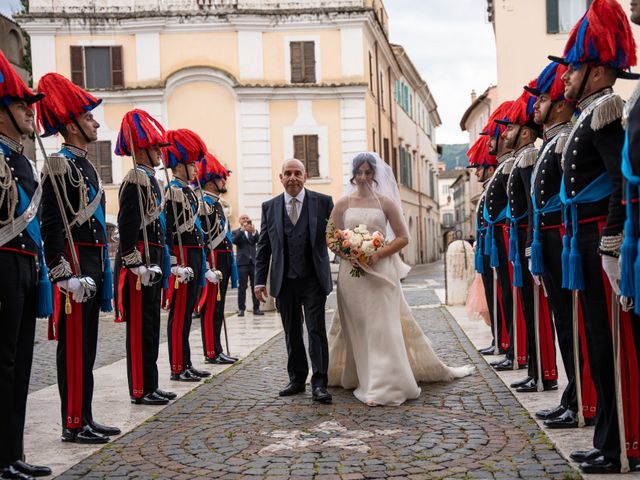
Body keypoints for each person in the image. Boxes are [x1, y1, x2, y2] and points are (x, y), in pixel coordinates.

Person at [548, 0, 640, 473]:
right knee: (596, 346)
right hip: (577, 243)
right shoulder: (589, 114)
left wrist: (612, 237)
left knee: (608, 346)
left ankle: (622, 444)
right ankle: (607, 436)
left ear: (600, 71)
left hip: (596, 240)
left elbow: (620, 180)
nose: (565, 80)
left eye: (575, 68)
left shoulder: (607, 111)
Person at [326, 152, 474, 406]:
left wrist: (377, 253)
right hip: (352, 275)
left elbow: (403, 237)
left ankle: (384, 384)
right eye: (359, 172)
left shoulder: (385, 203)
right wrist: (348, 254)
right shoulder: (342, 204)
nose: (363, 177)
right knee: (357, 327)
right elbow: (330, 237)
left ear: (374, 174)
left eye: (368, 172)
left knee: (381, 327)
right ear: (353, 174)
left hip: (381, 272)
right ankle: (361, 375)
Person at [37, 73, 120, 445]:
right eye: (88, 118)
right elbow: (51, 226)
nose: (96, 122)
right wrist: (62, 274)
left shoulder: (84, 165)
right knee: (73, 347)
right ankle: (72, 421)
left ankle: (85, 414)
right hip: (73, 266)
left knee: (87, 348)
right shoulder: (58, 164)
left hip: (91, 265)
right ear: (71, 125)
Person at [525, 62, 597, 428]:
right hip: (551, 238)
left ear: (558, 105)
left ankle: (582, 399)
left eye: (540, 100)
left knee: (573, 324)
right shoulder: (553, 141)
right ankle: (573, 396)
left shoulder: (566, 138)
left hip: (564, 236)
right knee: (564, 325)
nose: (534, 108)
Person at [0, 51, 53, 480]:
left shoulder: (22, 161)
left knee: (18, 367)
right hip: (1, 268)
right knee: (1, 365)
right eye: (20, 106)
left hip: (25, 268)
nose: (29, 113)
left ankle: (13, 453)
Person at [254, 158, 333, 403]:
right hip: (284, 280)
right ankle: (297, 379)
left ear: (305, 176)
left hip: (313, 280)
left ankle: (319, 383)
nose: (292, 178)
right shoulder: (270, 206)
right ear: (280, 178)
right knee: (291, 333)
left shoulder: (322, 202)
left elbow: (336, 237)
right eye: (287, 173)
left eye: (297, 173)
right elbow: (263, 246)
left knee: (316, 331)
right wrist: (259, 281)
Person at [114, 109, 176, 406]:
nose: (159, 153)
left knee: (151, 326)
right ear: (140, 149)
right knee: (140, 329)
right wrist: (134, 262)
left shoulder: (150, 180)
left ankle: (151, 383)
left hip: (151, 261)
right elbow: (127, 225)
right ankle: (140, 387)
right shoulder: (136, 180)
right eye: (154, 148)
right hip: (140, 265)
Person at [163, 129, 210, 382]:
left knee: (189, 310)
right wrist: (173, 263)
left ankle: (187, 362)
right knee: (179, 313)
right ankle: (177, 366)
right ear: (179, 164)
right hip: (181, 255)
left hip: (194, 254)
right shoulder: (172, 191)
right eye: (191, 163)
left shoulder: (189, 191)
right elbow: (169, 229)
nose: (195, 168)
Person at [193, 152, 238, 365]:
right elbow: (202, 237)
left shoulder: (216, 204)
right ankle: (211, 351)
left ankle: (217, 348)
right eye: (220, 178)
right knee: (211, 307)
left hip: (223, 259)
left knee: (218, 308)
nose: (224, 181)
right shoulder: (203, 205)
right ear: (210, 182)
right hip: (213, 259)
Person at [466, 136, 498, 346]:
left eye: (479, 166)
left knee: (498, 298)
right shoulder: (487, 190)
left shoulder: (493, 187)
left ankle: (505, 342)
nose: (476, 171)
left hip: (493, 249)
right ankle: (500, 339)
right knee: (492, 297)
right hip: (486, 250)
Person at [232, 214, 262, 317]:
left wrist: (253, 232)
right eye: (243, 218)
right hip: (242, 263)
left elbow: (259, 240)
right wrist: (242, 230)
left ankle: (256, 308)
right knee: (242, 287)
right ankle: (241, 309)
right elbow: (235, 240)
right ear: (239, 220)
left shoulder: (252, 230)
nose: (245, 220)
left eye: (247, 218)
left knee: (255, 286)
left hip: (253, 263)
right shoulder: (236, 232)